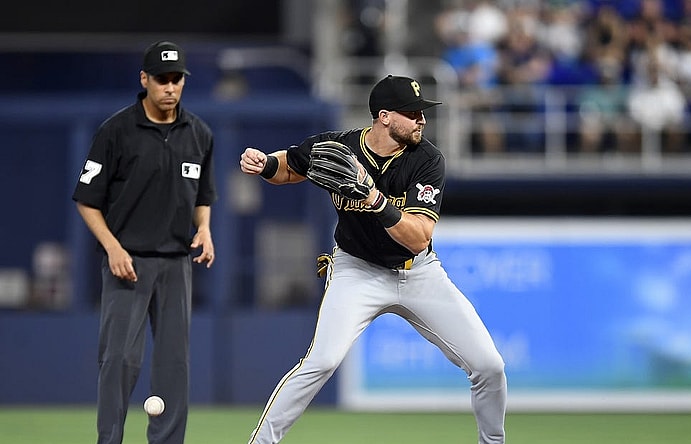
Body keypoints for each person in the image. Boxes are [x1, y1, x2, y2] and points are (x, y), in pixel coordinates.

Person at [239, 74, 507, 444]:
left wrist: (373, 198)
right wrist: (265, 164)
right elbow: (292, 166)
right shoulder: (339, 147)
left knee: (489, 366)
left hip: (418, 274)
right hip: (356, 269)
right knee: (322, 361)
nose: (421, 120)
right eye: (412, 113)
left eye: (422, 112)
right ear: (383, 116)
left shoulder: (427, 160)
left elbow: (418, 239)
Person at [72, 40, 217, 444]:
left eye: (177, 79)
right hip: (128, 263)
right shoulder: (116, 131)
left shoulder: (199, 134)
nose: (170, 87)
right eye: (162, 79)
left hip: (176, 264)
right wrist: (113, 247)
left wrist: (203, 229)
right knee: (119, 360)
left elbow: (203, 196)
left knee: (174, 364)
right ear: (145, 80)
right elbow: (86, 200)